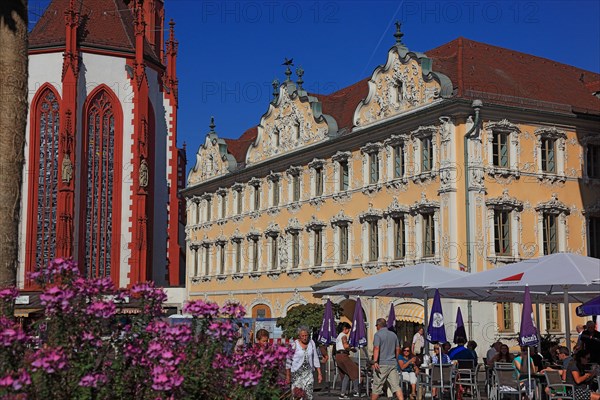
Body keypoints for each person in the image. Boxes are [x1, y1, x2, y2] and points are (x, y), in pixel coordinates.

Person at [286, 326, 323, 400]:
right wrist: (288, 375)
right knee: (297, 396)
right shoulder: (294, 344)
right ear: (299, 336)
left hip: (308, 374)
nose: (305, 337)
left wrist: (319, 373)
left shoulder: (311, 343)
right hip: (297, 375)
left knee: (308, 396)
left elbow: (315, 358)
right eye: (302, 336)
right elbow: (288, 361)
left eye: (306, 335)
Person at [371, 318, 404, 400]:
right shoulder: (393, 335)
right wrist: (395, 359)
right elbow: (397, 349)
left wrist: (375, 361)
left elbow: (376, 348)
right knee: (396, 386)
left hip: (382, 364)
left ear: (378, 326)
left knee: (377, 386)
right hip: (392, 363)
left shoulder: (377, 335)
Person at [335, 322, 360, 399]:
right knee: (355, 369)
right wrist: (352, 348)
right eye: (348, 329)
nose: (349, 331)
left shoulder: (338, 336)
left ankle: (342, 394)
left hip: (338, 356)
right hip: (343, 355)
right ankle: (356, 390)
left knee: (347, 374)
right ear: (345, 329)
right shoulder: (343, 335)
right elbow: (345, 346)